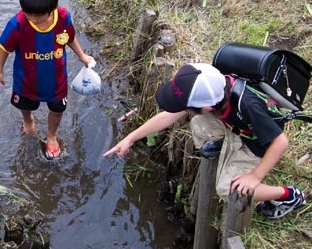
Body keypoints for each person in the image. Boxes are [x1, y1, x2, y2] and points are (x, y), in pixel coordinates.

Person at [105, 62, 308, 219]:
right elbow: (168, 116)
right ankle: (224, 146)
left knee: (226, 189)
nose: (183, 109)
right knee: (199, 125)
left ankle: (287, 196)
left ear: (207, 107)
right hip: (236, 127)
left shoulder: (248, 105)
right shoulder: (214, 85)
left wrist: (255, 176)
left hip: (256, 144)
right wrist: (130, 138)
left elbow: (280, 142)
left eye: (187, 106)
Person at [0, 0, 94, 159]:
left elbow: (69, 38)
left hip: (56, 80)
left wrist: (82, 56)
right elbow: (5, 47)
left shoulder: (62, 18)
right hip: (26, 80)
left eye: (39, 16)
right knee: (24, 104)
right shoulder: (18, 24)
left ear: (52, 9)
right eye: (29, 15)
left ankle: (51, 135)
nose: (34, 20)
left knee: (57, 109)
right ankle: (28, 121)